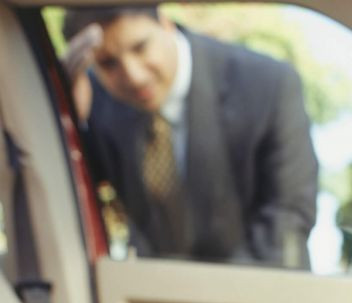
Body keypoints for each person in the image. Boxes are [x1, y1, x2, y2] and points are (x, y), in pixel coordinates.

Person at [62, 7, 318, 268]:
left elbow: (287, 218)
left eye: (140, 48)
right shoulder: (96, 100)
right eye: (108, 63)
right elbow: (76, 195)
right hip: (150, 297)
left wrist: (210, 296)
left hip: (258, 292)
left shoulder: (267, 84)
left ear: (165, 24)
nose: (134, 76)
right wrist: (70, 117)